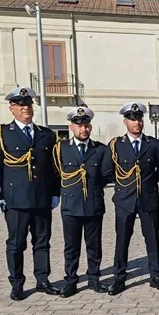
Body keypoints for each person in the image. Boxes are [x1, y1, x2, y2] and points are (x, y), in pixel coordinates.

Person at [0, 87, 61, 301]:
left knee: (42, 242)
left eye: (28, 104)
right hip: (15, 199)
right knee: (16, 244)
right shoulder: (1, 133)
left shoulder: (46, 135)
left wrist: (55, 192)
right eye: (20, 105)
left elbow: (52, 167)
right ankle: (17, 283)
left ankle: (43, 280)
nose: (25, 108)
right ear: (12, 109)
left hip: (41, 198)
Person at [107, 102, 159, 295]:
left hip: (148, 198)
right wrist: (124, 187)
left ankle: (156, 276)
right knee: (122, 239)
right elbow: (110, 171)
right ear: (125, 121)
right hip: (125, 199)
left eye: (139, 119)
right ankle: (119, 278)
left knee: (152, 238)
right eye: (133, 119)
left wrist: (148, 182)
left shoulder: (154, 144)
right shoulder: (117, 145)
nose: (137, 123)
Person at [53, 107, 114, 297]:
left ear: (90, 127)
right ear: (71, 127)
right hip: (71, 205)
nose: (83, 129)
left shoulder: (101, 150)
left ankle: (94, 279)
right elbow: (56, 175)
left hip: (93, 204)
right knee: (71, 246)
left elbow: (106, 175)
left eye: (86, 125)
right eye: (79, 126)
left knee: (94, 245)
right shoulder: (61, 149)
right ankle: (71, 281)